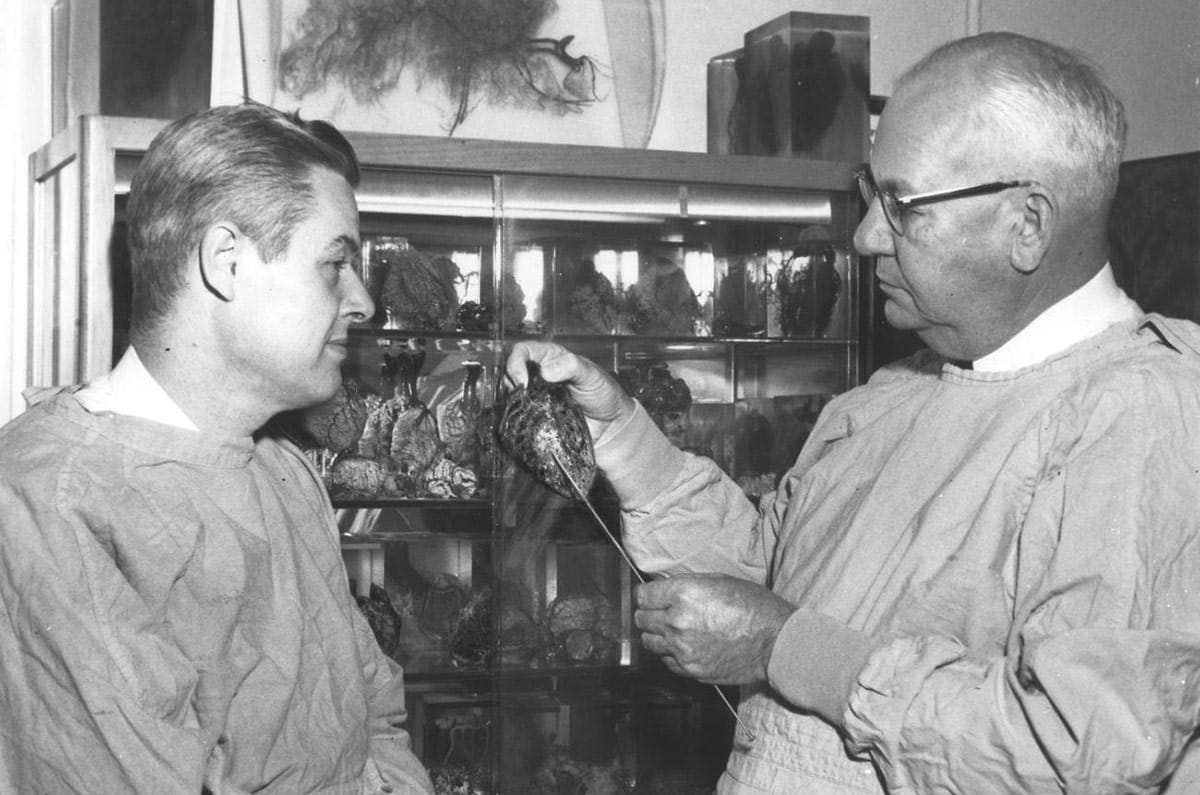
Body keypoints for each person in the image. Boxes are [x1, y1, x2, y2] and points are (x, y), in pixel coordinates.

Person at [506, 33, 1200, 794]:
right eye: (871, 193)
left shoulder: (1145, 416)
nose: (866, 236)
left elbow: (1074, 750)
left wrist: (785, 647)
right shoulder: (889, 396)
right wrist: (621, 436)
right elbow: (762, 575)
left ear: (1027, 224)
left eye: (901, 205)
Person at [0, 103, 433, 794]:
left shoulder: (283, 470)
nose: (363, 303)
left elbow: (374, 721)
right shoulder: (50, 504)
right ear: (225, 262)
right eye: (334, 264)